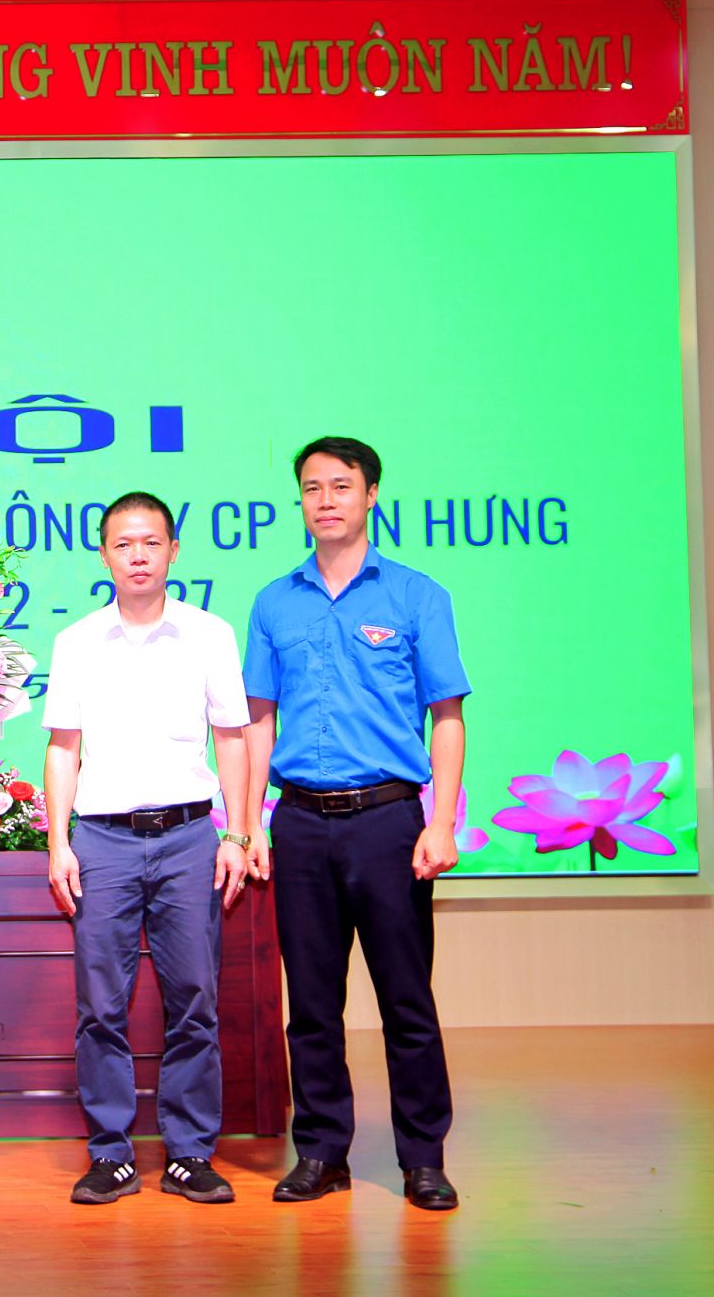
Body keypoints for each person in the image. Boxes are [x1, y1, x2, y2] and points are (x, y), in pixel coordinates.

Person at [244, 436, 467, 1212]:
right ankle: (321, 1152)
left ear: (371, 495)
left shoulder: (415, 595)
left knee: (407, 1001)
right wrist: (250, 824)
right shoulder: (275, 602)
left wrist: (440, 821)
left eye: (341, 485)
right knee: (311, 1004)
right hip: (301, 825)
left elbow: (447, 716)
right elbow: (258, 720)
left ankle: (423, 1159)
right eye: (312, 487)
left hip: (389, 822)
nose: (326, 500)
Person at [43, 491, 256, 1206]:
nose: (138, 555)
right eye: (124, 543)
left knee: (194, 1000)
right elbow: (63, 749)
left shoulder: (209, 635)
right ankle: (111, 1153)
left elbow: (232, 738)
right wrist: (58, 843)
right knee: (100, 1006)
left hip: (190, 838)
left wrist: (237, 832)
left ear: (173, 551)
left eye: (151, 542)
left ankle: (190, 1152)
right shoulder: (77, 642)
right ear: (104, 554)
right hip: (102, 842)